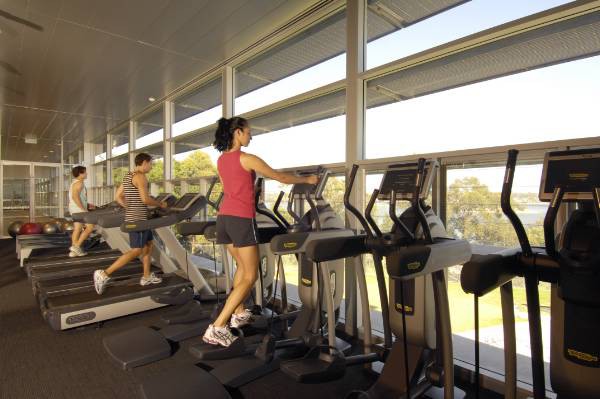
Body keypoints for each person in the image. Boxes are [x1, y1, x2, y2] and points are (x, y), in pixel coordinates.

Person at [202, 116, 319, 347]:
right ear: (237, 132)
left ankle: (238, 312)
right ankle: (217, 327)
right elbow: (279, 177)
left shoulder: (222, 160)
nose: (250, 136)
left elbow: (235, 185)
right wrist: (308, 178)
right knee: (250, 276)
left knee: (242, 268)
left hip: (224, 218)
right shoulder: (247, 158)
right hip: (241, 220)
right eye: (247, 131)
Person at [93, 153, 167, 295]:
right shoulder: (140, 177)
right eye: (151, 164)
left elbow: (118, 197)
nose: (151, 167)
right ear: (144, 162)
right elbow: (145, 199)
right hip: (138, 220)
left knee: (148, 244)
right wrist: (160, 204)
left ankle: (146, 276)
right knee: (136, 250)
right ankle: (104, 273)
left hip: (139, 218)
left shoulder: (128, 176)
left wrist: (129, 207)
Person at [68, 166, 96, 257]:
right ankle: (77, 246)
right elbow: (75, 197)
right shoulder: (80, 183)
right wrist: (84, 209)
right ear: (80, 173)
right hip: (78, 209)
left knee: (78, 228)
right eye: (85, 172)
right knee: (90, 227)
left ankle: (74, 251)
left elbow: (78, 197)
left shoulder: (74, 183)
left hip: (74, 208)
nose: (87, 173)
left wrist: (87, 205)